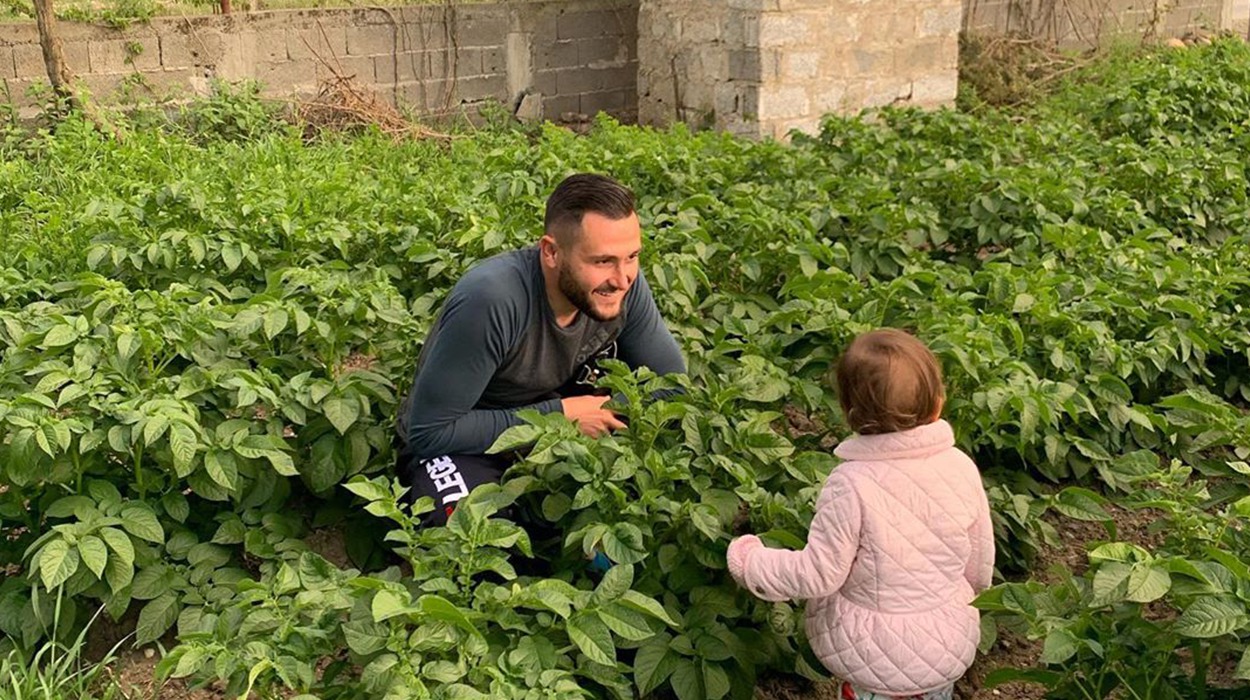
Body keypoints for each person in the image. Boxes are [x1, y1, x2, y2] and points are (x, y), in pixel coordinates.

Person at [393, 173, 686, 526]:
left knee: (645, 505)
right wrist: (559, 415)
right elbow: (430, 433)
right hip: (466, 437)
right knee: (466, 533)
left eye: (633, 256)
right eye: (602, 261)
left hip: (558, 412)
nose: (622, 278)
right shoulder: (492, 300)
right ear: (550, 252)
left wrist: (596, 411)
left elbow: (672, 384)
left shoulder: (623, 286)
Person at [726, 329, 994, 700]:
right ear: (937, 405)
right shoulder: (961, 467)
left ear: (850, 415)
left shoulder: (850, 483)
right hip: (944, 647)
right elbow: (979, 566)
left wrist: (750, 561)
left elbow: (818, 573)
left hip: (871, 658)